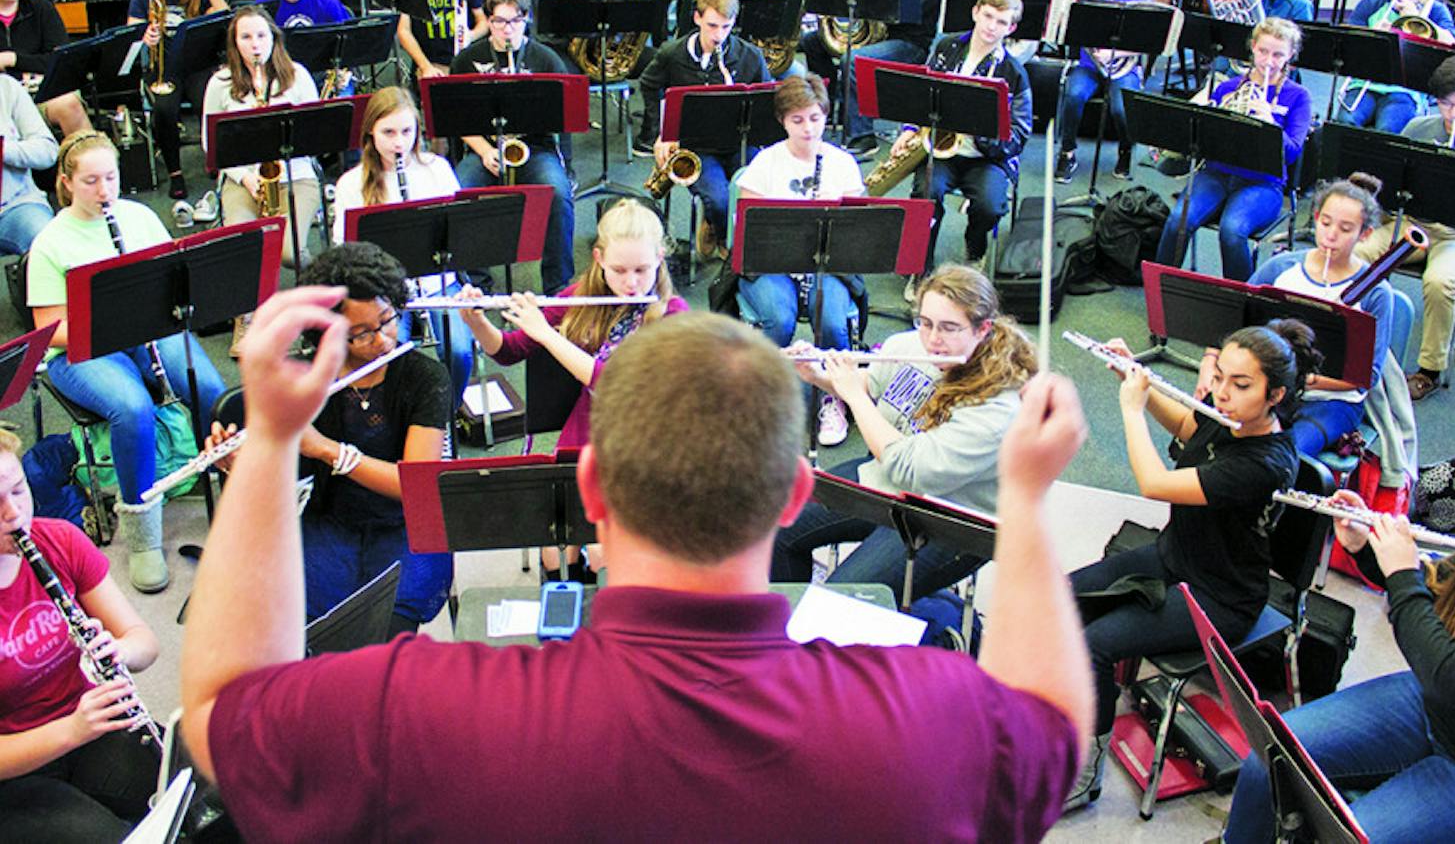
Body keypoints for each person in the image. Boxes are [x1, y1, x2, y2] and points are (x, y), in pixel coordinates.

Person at [177, 286, 1094, 841]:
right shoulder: (929, 712)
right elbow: (1056, 724)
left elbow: (217, 712)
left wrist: (269, 441)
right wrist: (1023, 497)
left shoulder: (412, 706)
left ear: (592, 486)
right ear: (795, 497)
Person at [1063, 320, 1311, 811]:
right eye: (1220, 377)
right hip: (1173, 556)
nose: (1221, 393)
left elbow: (1154, 483)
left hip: (1219, 597)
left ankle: (1084, 772)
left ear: (1275, 394)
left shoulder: (1264, 463)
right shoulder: (1233, 416)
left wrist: (1131, 408)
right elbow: (1187, 427)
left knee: (1095, 645)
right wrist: (1135, 377)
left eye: (1241, 385)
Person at [1223, 490, 1455, 843]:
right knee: (1268, 758)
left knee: (1347, 839)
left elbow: (1451, 677)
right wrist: (1369, 546)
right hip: (1432, 707)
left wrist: (1402, 575)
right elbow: (1439, 587)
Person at [209, 242, 453, 636]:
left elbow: (417, 486)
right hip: (329, 522)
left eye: (388, 319)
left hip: (405, 526)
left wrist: (327, 450)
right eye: (361, 334)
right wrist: (238, 466)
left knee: (386, 632)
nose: (384, 340)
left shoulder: (426, 378)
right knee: (308, 630)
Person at [26, 132, 227, 591]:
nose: (104, 191)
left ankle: (229, 488)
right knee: (132, 407)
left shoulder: (137, 217)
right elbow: (49, 329)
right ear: (67, 183)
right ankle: (143, 534)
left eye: (111, 178)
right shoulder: (50, 242)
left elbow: (172, 280)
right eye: (91, 181)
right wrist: (113, 324)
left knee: (211, 390)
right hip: (80, 351)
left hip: (149, 331)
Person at [774, 263, 1036, 596]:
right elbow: (870, 385)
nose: (933, 340)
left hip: (949, 520)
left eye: (949, 328)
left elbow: (910, 468)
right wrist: (818, 375)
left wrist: (853, 395)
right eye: (925, 323)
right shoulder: (912, 345)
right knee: (777, 527)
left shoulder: (998, 408)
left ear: (982, 329)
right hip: (887, 480)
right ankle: (784, 629)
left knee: (841, 598)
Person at [0, 433, 162, 842]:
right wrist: (72, 730)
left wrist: (119, 650)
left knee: (210, 784)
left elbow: (144, 642)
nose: (13, 513)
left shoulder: (58, 539)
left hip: (90, 723)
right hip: (15, 769)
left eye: (19, 490)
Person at [459, 198, 687, 451]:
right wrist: (477, 323)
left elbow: (617, 384)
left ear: (659, 257)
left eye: (641, 270)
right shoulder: (581, 296)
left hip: (648, 441)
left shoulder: (674, 315)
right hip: (589, 430)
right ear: (599, 258)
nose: (631, 283)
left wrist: (547, 334)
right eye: (619, 270)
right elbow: (509, 351)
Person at [1357, 55, 1455, 401]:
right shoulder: (1419, 128)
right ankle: (1351, 341)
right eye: (1446, 104)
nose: (1453, 113)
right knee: (1358, 254)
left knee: (1440, 281)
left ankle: (1429, 370)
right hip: (1412, 223)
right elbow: (1391, 183)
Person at [736, 75, 866, 444]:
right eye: (797, 120)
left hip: (829, 264)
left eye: (815, 118)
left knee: (834, 322)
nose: (808, 128)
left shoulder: (842, 164)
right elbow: (749, 229)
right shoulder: (766, 163)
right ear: (783, 121)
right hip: (772, 264)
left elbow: (860, 234)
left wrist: (836, 210)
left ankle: (833, 397)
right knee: (778, 318)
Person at [331, 87, 472, 407]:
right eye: (388, 132)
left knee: (460, 352)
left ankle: (444, 414)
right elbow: (345, 249)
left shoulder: (437, 168)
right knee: (392, 359)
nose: (399, 142)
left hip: (438, 281)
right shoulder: (351, 184)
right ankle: (410, 422)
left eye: (407, 131)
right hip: (387, 292)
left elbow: (460, 230)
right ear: (370, 132)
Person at [1235, 174, 1394, 455]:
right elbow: (1235, 318)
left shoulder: (1376, 293)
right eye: (1325, 223)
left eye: (1346, 229)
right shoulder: (1280, 268)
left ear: (1365, 234)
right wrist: (1213, 367)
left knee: (1285, 455)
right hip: (1272, 384)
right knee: (1218, 434)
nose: (1331, 235)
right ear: (1317, 217)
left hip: (1332, 400)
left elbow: (1366, 376)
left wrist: (1303, 379)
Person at [1155, 17, 1311, 281]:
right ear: (1252, 47)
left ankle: (1241, 303)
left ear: (1290, 56)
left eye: (1278, 55)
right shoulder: (1227, 87)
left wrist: (1269, 122)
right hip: (1217, 174)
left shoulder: (1298, 96)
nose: (1268, 61)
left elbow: (1293, 152)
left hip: (1263, 184)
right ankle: (1158, 289)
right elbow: (1203, 143)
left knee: (1232, 230)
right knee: (1177, 221)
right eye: (1263, 51)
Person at [892, 0, 1033, 271]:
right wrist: (909, 129)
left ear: (1011, 27)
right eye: (988, 16)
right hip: (941, 151)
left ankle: (975, 246)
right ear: (975, 12)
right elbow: (921, 96)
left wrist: (977, 127)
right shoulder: (947, 47)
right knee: (924, 195)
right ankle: (921, 265)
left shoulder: (1014, 73)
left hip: (988, 159)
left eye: (1001, 22)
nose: (991, 27)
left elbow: (1018, 137)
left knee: (989, 206)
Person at [451, 0, 576, 294]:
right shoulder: (468, 60)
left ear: (526, 19)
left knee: (559, 195)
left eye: (515, 21)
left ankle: (557, 287)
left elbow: (562, 120)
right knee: (460, 194)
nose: (508, 30)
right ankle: (476, 284)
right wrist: (482, 149)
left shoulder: (546, 60)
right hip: (486, 149)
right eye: (499, 22)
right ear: (488, 21)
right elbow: (454, 116)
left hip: (534, 147)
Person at [800, 0, 947, 155]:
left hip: (910, 44)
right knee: (813, 42)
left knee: (854, 60)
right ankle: (834, 105)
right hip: (881, 37)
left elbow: (905, 15)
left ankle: (862, 136)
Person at [638, 0, 772, 258]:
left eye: (725, 27)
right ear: (697, 18)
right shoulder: (672, 54)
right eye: (711, 26)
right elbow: (650, 86)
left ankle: (721, 228)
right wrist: (663, 133)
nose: (718, 36)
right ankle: (722, 231)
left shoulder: (750, 56)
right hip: (696, 145)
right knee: (721, 200)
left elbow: (768, 100)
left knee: (756, 194)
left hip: (740, 143)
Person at [201, 5, 321, 270]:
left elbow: (314, 135)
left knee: (289, 253)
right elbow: (210, 144)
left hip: (296, 176)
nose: (255, 45)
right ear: (234, 43)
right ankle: (249, 309)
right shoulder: (220, 83)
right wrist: (245, 177)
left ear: (273, 38)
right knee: (244, 249)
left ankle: (319, 279)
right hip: (242, 179)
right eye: (246, 37)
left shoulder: (298, 76)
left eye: (261, 36)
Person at [126, 0, 229, 201]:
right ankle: (175, 172)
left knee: (209, 103)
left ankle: (215, 159)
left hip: (195, 65)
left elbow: (225, 16)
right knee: (164, 110)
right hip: (162, 67)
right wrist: (144, 36)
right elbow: (132, 31)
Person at [1054, 0, 1153, 184]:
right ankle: (1067, 152)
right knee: (1074, 95)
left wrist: (1114, 52)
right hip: (1090, 64)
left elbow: (1147, 43)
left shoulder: (1141, 0)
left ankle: (1126, 150)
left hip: (1124, 66)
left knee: (1121, 109)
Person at [1336, 0, 1455, 133]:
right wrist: (1372, 35)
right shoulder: (1372, 4)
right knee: (1343, 123)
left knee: (1388, 130)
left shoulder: (1435, 9)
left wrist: (1418, 19)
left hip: (1405, 89)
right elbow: (1347, 45)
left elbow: (1453, 46)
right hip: (1364, 83)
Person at [0, 0, 88, 137]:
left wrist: (13, 59)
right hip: (3, 98)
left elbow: (61, 61)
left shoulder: (41, 8)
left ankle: (89, 164)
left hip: (41, 93)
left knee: (70, 105)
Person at [0, 72, 58, 257]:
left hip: (16, 205)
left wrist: (4, 150)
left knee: (48, 245)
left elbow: (48, 151)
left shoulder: (7, 87)